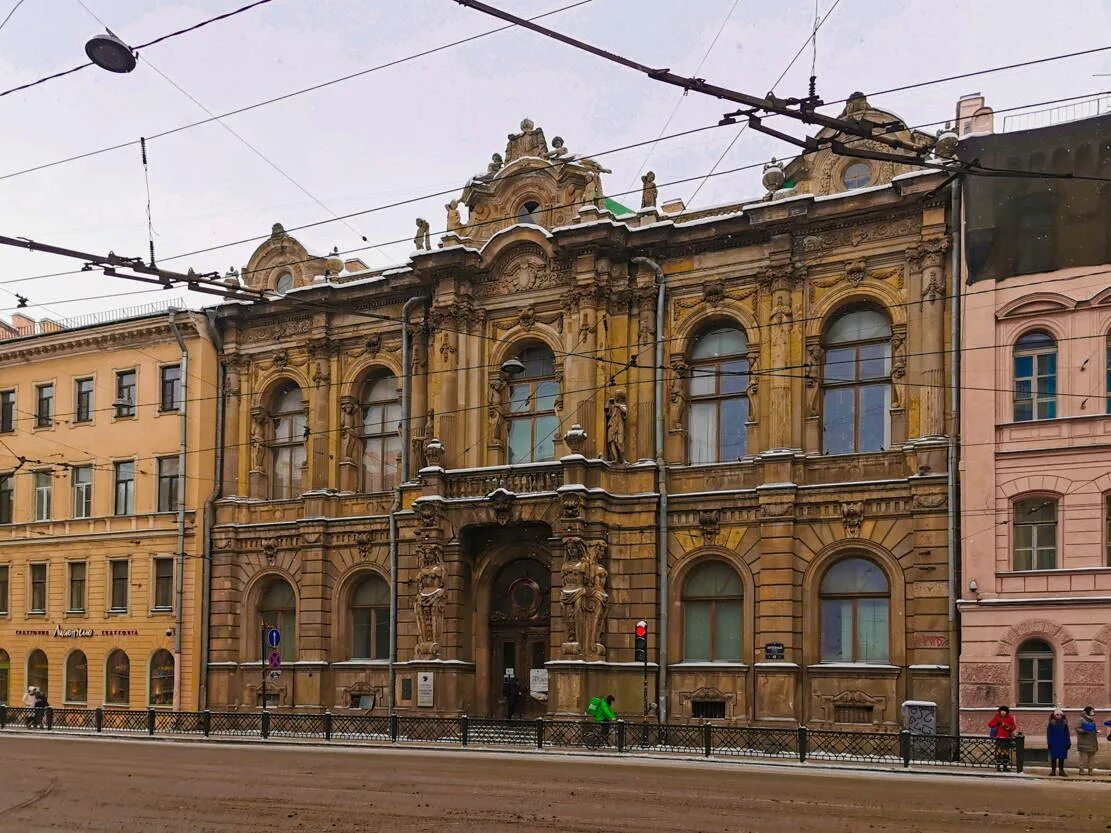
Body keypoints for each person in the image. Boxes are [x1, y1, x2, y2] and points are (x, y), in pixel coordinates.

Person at [988, 705, 1018, 772]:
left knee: (1005, 753)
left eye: (1004, 711)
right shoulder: (997, 717)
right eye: (1002, 711)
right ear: (1000, 711)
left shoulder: (1010, 718)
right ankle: (998, 767)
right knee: (998, 752)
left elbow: (1013, 727)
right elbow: (990, 724)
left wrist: (1006, 726)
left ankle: (1005, 766)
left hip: (1006, 738)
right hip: (999, 738)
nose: (1003, 712)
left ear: (1007, 712)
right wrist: (997, 723)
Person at [1047, 708, 1071, 776]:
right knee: (1053, 758)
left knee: (1061, 758)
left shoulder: (1064, 723)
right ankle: (1053, 771)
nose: (1059, 716)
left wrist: (1068, 742)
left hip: (1062, 743)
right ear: (1054, 715)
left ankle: (1061, 771)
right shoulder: (1051, 723)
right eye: (1057, 714)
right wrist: (1049, 742)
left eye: (1060, 714)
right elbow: (1049, 734)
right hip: (1054, 743)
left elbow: (1067, 734)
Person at [1076, 706, 1099, 776]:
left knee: (1091, 757)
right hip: (1083, 741)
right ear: (1088, 712)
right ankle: (1081, 770)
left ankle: (1090, 770)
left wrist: (1096, 731)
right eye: (1092, 711)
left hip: (1092, 741)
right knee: (1082, 757)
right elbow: (1077, 728)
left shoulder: (1093, 720)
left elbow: (1094, 729)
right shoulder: (1081, 719)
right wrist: (1084, 730)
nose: (1093, 712)